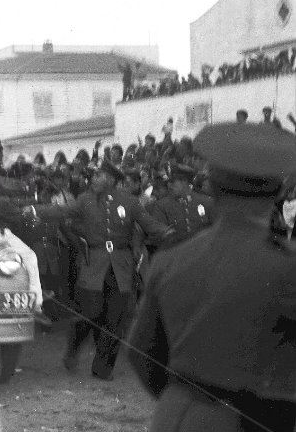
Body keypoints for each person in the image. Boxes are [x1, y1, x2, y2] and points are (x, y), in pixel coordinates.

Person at [129, 123, 296, 432]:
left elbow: (141, 352)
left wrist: (185, 395)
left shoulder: (170, 259)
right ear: (279, 192)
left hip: (177, 416)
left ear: (212, 187)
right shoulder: (286, 267)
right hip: (257, 420)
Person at [23, 161, 171, 380]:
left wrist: (170, 234)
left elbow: (149, 224)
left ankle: (102, 368)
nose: (93, 179)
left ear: (111, 179)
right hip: (94, 265)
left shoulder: (129, 201)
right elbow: (61, 210)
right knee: (90, 314)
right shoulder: (85, 200)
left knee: (115, 318)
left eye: (99, 175)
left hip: (121, 266)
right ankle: (73, 349)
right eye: (93, 175)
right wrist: (36, 209)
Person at [148, 164, 214, 250]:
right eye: (168, 182)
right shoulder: (162, 206)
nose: (169, 186)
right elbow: (159, 234)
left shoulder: (206, 202)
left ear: (184, 181)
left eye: (173, 182)